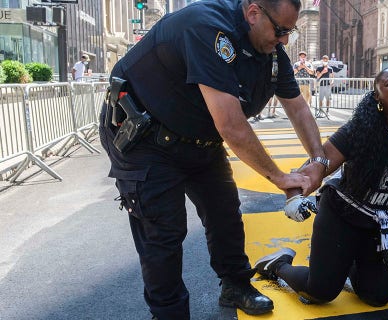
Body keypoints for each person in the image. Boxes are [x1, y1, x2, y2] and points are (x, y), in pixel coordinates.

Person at [98, 1, 328, 319]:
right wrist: (280, 177)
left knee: (225, 215)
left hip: (199, 139)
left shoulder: (270, 53)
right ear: (253, 13)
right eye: (281, 30)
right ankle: (169, 314)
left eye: (291, 31)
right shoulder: (206, 28)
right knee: (163, 231)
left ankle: (236, 285)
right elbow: (231, 125)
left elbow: (298, 107)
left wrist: (318, 159)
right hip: (146, 139)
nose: (285, 40)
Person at [253, 67, 388, 307]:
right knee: (321, 292)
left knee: (378, 296)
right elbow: (318, 165)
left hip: (387, 223)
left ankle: (346, 262)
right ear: (377, 98)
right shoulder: (360, 131)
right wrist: (293, 196)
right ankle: (279, 264)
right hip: (343, 216)